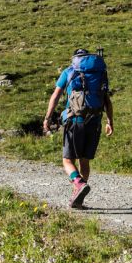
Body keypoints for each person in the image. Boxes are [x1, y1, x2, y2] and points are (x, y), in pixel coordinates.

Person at [42, 48, 114, 208]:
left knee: (67, 160)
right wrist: (110, 122)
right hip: (94, 122)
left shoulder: (69, 71)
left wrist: (47, 118)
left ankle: (79, 184)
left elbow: (55, 96)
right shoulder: (99, 74)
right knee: (84, 161)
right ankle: (78, 197)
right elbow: (107, 101)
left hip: (75, 121)